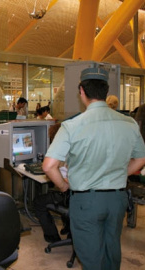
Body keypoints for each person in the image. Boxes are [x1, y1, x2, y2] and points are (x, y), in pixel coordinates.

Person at [42, 67, 145, 270]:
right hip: (117, 199)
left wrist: (63, 187)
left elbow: (49, 166)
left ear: (81, 91)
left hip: (86, 201)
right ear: (106, 91)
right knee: (111, 251)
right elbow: (141, 159)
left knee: (90, 258)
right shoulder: (129, 123)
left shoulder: (72, 126)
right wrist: (117, 174)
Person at [34, 122, 70, 243]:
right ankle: (69, 228)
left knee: (38, 202)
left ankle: (52, 236)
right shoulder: (75, 149)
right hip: (81, 196)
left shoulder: (59, 153)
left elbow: (50, 170)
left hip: (68, 194)